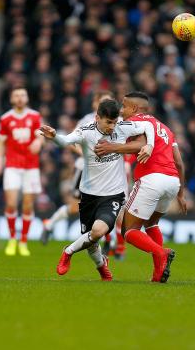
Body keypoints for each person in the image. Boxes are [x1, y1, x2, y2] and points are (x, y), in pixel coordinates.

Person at [37, 99, 155, 281]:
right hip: (89, 195)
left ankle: (68, 252)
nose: (112, 127)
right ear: (97, 118)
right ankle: (102, 268)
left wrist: (150, 145)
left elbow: (148, 125)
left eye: (115, 122)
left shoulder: (122, 128)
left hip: (113, 195)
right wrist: (54, 137)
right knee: (92, 243)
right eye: (109, 122)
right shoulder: (86, 132)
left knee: (98, 231)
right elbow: (66, 141)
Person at [94, 91, 187, 283]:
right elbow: (179, 162)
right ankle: (157, 273)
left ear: (135, 108)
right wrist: (181, 194)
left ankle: (162, 252)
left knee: (129, 230)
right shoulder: (165, 128)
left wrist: (111, 148)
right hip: (172, 181)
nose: (121, 110)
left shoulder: (136, 122)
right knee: (151, 224)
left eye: (124, 106)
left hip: (152, 179)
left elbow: (140, 145)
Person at [40, 90, 114, 244]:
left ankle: (110, 241)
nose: (108, 104)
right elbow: (72, 142)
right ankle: (50, 224)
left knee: (107, 203)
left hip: (105, 171)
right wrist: (86, 154)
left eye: (110, 100)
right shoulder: (86, 120)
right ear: (96, 103)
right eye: (105, 100)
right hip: (85, 169)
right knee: (75, 207)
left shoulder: (116, 122)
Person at [0, 87, 44, 257]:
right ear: (12, 99)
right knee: (11, 203)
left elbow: (41, 134)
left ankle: (23, 241)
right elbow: (1, 142)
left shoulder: (35, 116)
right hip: (12, 165)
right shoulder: (5, 118)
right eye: (16, 95)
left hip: (31, 166)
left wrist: (39, 142)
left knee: (28, 205)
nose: (20, 98)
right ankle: (12, 238)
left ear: (27, 98)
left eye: (23, 95)